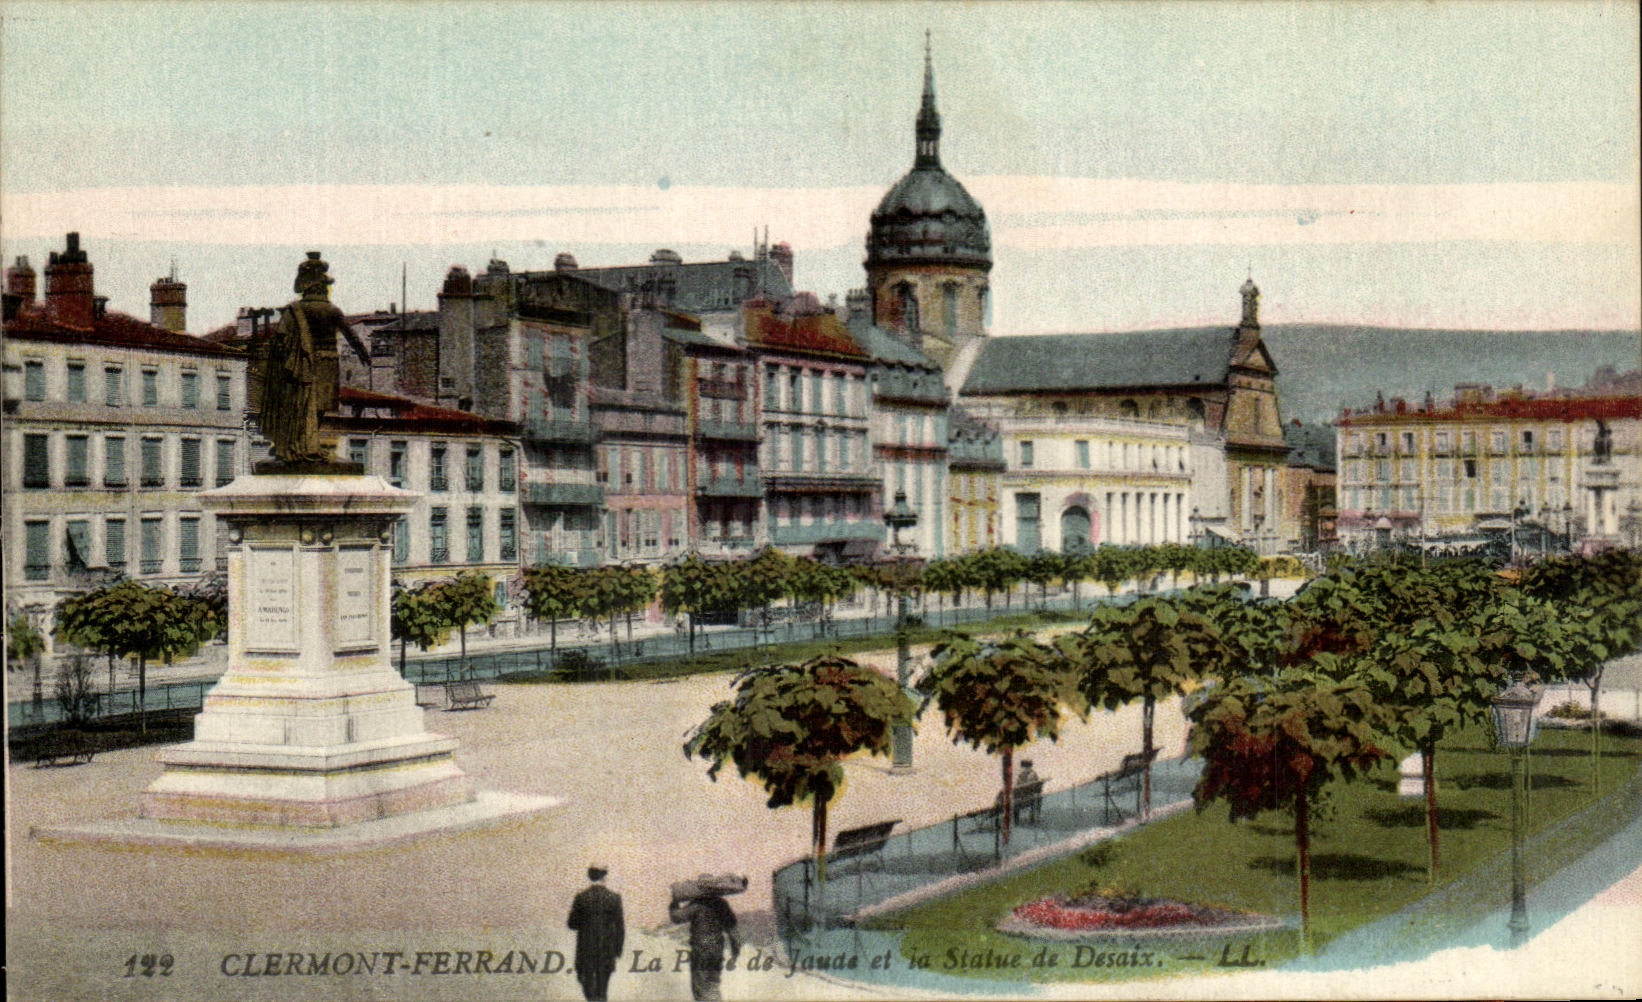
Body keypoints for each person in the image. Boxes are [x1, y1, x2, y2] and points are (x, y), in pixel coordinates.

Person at [255, 251, 344, 464]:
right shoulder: (332, 309)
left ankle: (302, 443)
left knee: (299, 405)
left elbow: (281, 337)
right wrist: (365, 356)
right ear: (321, 286)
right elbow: (351, 335)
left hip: (303, 364)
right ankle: (310, 443)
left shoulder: (296, 310)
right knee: (320, 407)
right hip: (328, 363)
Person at [669, 889, 740, 1001]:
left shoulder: (697, 904)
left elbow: (677, 917)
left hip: (701, 951)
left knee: (701, 989)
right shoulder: (722, 904)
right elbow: (733, 931)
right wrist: (735, 952)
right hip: (716, 952)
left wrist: (674, 902)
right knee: (712, 986)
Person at [567, 865, 624, 1001]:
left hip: (585, 952)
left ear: (590, 877)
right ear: (604, 877)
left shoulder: (581, 898)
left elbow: (571, 924)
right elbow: (620, 928)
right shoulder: (614, 898)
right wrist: (617, 950)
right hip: (606, 952)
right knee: (602, 990)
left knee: (587, 987)